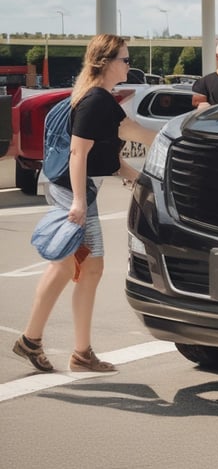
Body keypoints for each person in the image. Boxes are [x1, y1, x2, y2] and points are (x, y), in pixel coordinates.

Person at [13, 34, 156, 373]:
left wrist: (135, 171)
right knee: (67, 266)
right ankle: (36, 341)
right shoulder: (94, 100)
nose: (128, 64)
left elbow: (123, 135)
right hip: (71, 191)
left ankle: (75, 351)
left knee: (87, 269)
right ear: (105, 62)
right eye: (124, 59)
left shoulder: (102, 100)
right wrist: (78, 201)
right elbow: (78, 153)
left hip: (77, 190)